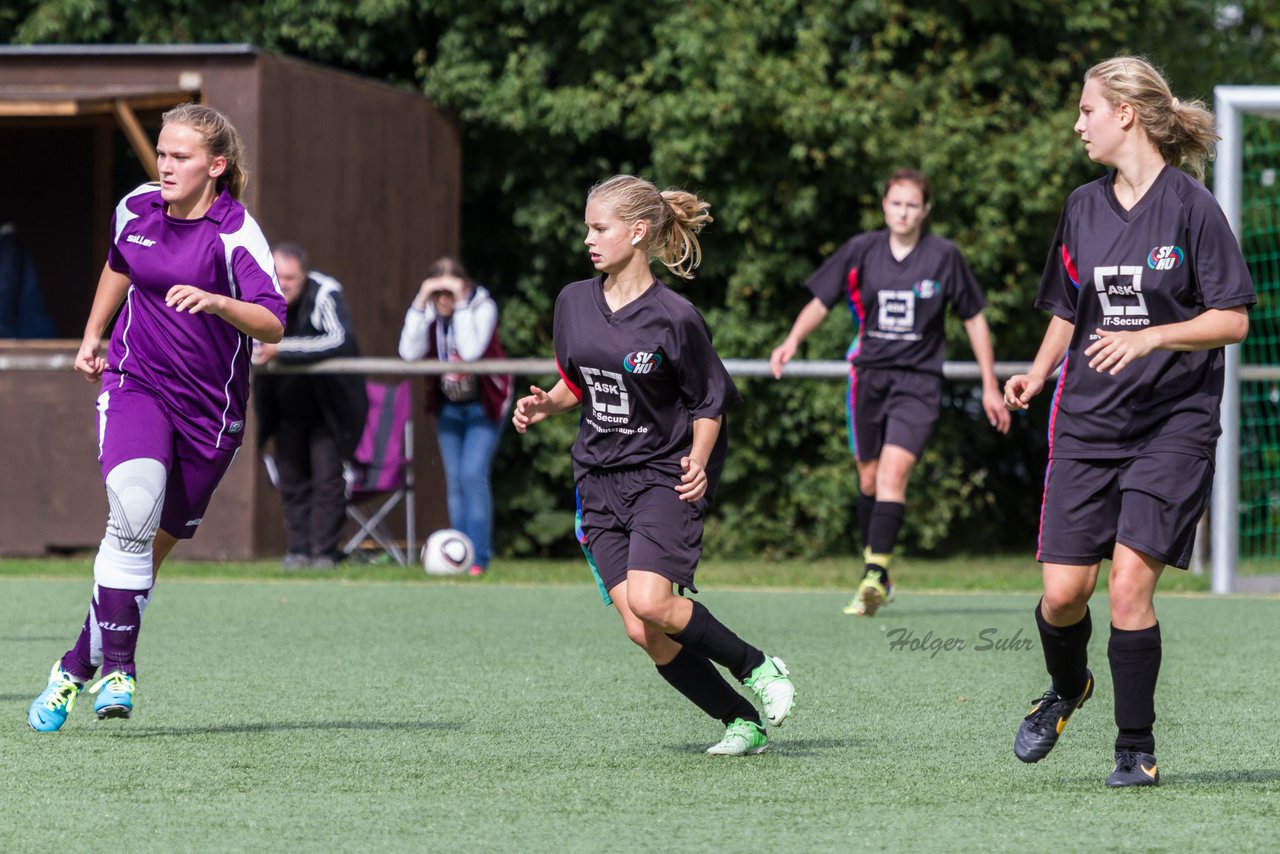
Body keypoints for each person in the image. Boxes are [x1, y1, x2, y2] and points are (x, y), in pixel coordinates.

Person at [1003, 56, 1254, 787]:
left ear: (1125, 115)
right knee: (1062, 593)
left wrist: (1152, 336)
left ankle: (1134, 748)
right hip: (1086, 423)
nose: (1078, 123)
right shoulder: (1082, 207)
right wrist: (1037, 372)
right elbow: (1064, 308)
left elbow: (1233, 319)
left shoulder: (1191, 207)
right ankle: (1067, 686)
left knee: (1127, 590)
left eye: (1087, 110)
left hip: (1172, 426)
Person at [513, 174, 796, 756]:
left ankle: (759, 665)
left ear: (638, 232)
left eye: (600, 227)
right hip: (596, 479)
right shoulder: (572, 300)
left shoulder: (676, 316)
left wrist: (697, 455)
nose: (588, 239)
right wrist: (548, 403)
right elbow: (580, 379)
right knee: (642, 630)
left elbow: (708, 399)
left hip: (660, 477)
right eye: (587, 227)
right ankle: (741, 721)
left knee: (652, 602)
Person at [26, 103, 286, 733]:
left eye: (180, 157)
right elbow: (120, 264)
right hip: (135, 384)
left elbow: (273, 320)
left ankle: (70, 669)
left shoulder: (235, 233)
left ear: (216, 167)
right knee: (133, 515)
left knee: (142, 553)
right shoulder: (138, 207)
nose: (164, 166)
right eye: (161, 154)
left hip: (210, 419)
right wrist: (93, 334)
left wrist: (221, 302)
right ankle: (120, 670)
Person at [770, 169, 1010, 617]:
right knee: (868, 478)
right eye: (896, 203)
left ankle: (874, 574)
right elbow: (822, 300)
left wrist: (990, 384)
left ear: (926, 210)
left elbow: (974, 318)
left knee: (893, 475)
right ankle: (877, 570)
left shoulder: (944, 256)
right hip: (869, 379)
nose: (903, 212)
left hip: (918, 383)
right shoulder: (862, 251)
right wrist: (791, 340)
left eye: (912, 205)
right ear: (884, 205)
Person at [253, 243, 367, 569]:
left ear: (304, 276)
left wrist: (282, 349)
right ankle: (298, 551)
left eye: (290, 278)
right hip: (285, 407)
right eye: (278, 276)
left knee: (327, 481)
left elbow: (338, 339)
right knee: (291, 481)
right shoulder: (255, 289)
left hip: (330, 409)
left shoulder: (325, 293)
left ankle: (325, 553)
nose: (283, 284)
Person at [399, 258, 512, 576]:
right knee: (454, 479)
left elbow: (471, 350)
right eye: (438, 292)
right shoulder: (432, 308)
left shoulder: (481, 306)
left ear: (463, 287)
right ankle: (458, 555)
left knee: (473, 474)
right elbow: (408, 353)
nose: (443, 299)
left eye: (449, 291)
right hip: (449, 403)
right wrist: (421, 301)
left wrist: (461, 305)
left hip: (484, 402)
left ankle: (479, 559)